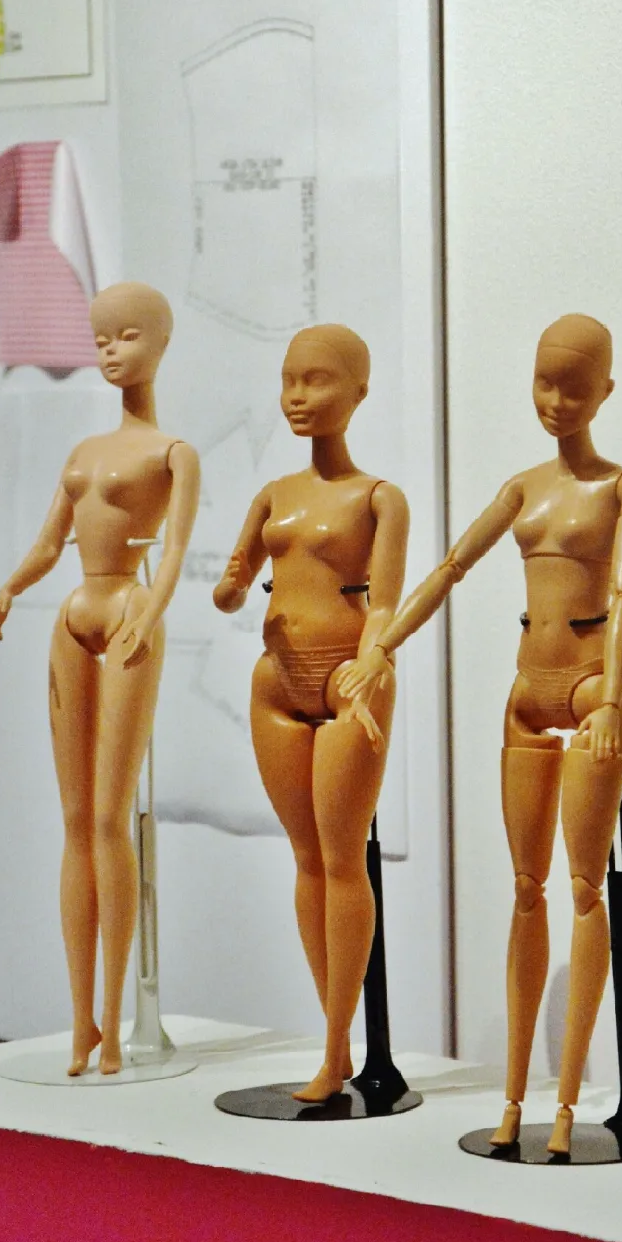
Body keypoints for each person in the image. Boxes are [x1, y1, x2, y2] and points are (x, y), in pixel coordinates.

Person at [338, 314, 622, 1154]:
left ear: (605, 392)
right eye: (545, 382)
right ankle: (514, 1099)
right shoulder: (522, 488)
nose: (556, 401)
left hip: (592, 685)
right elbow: (450, 568)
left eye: (574, 387)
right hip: (526, 690)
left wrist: (610, 700)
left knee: (585, 888)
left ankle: (568, 1107)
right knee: (526, 888)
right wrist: (384, 644)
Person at [0, 282, 200, 1075]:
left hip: (129, 613)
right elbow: (52, 541)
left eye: (127, 335)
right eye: (102, 337)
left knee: (111, 818)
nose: (111, 350)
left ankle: (115, 1024)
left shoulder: (172, 453)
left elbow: (174, 550)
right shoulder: (83, 453)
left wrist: (154, 610)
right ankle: (79, 1023)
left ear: (161, 343)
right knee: (76, 819)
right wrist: (13, 582)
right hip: (74, 617)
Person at [213, 325, 409, 1103]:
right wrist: (229, 588)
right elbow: (237, 574)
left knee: (342, 857)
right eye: (289, 379)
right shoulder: (275, 495)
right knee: (306, 857)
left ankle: (335, 1053)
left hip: (349, 679)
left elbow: (385, 604)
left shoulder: (378, 498)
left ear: (359, 392)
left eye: (317, 380)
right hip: (277, 682)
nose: (297, 396)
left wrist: (373, 658)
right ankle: (334, 1038)